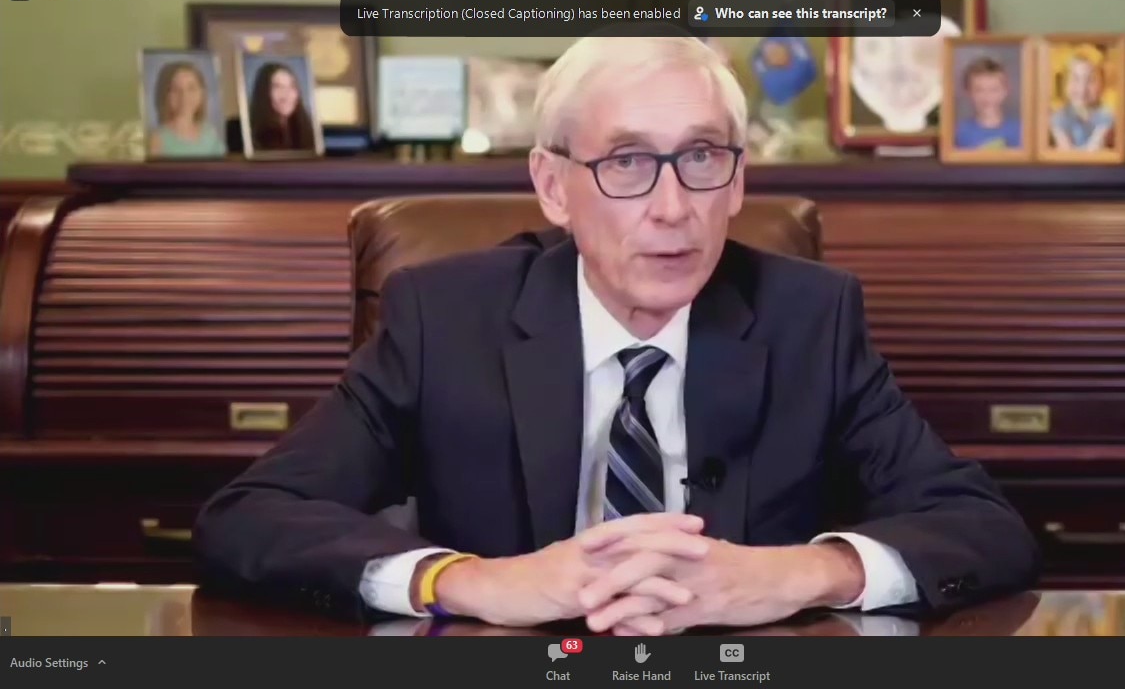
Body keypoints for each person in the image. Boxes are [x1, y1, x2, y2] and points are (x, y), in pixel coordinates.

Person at [194, 34, 1038, 636]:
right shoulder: (443, 319)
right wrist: (468, 581)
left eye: (701, 158)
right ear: (553, 186)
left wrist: (801, 573)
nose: (673, 208)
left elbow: (984, 527)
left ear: (737, 182)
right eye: (627, 162)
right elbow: (248, 517)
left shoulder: (810, 319)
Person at [148, 60, 225, 158]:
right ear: (165, 95)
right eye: (175, 90)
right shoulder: (157, 140)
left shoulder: (210, 133)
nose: (184, 97)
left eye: (191, 88)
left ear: (202, 93)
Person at [953, 56, 1022, 150]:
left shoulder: (1021, 130)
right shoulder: (958, 132)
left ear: (1005, 91)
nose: (986, 96)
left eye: (994, 90)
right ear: (968, 92)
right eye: (979, 90)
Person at [1050, 50, 1114, 150]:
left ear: (1103, 84)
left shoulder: (1107, 115)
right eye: (1075, 79)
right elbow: (1066, 152)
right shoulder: (1059, 116)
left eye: (1091, 80)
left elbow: (1094, 151)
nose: (1082, 88)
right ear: (1065, 83)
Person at [248, 61, 316, 153]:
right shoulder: (252, 137)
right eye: (277, 87)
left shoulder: (307, 133)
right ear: (263, 92)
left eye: (292, 87)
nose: (286, 95)